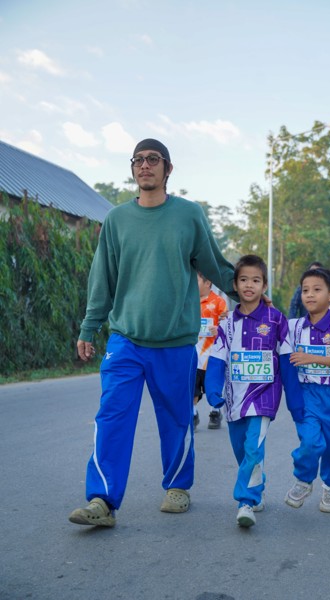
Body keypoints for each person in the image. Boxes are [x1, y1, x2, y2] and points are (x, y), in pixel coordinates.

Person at [68, 138, 238, 528]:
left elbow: (214, 263)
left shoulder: (188, 215)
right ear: (133, 168)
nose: (145, 165)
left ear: (168, 168)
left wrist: (249, 296)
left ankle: (177, 486)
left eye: (153, 159)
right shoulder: (117, 219)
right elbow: (103, 278)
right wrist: (89, 326)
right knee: (112, 417)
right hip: (125, 339)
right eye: (138, 160)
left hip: (175, 342)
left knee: (176, 419)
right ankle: (102, 499)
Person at [205, 255, 305, 527]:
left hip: (264, 397)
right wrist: (212, 390)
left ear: (264, 286)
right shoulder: (227, 323)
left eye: (256, 280)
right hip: (234, 398)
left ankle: (246, 501)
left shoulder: (276, 320)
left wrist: (295, 402)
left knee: (253, 447)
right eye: (244, 280)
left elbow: (286, 361)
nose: (249, 285)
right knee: (242, 450)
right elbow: (217, 360)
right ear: (235, 285)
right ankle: (256, 486)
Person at [286, 267, 330, 513]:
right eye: (305, 290)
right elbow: (270, 326)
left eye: (317, 289)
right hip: (307, 395)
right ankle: (303, 480)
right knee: (310, 442)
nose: (310, 295)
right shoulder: (294, 326)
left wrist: (312, 358)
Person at [194, 272, 227, 430]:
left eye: (196, 280)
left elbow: (227, 323)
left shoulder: (219, 302)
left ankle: (215, 412)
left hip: (213, 355)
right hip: (194, 354)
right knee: (193, 388)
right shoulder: (190, 301)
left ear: (207, 283)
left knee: (213, 387)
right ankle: (193, 414)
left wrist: (218, 329)